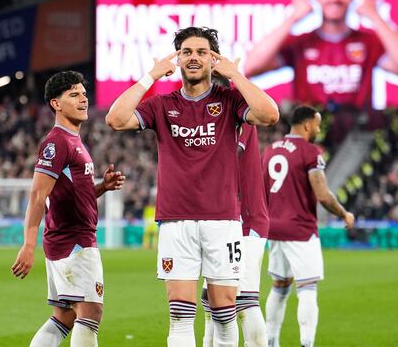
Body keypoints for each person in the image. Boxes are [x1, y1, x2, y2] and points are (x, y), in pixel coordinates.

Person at [106, 26, 279, 347]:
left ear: (213, 59)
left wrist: (236, 76)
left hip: (223, 221)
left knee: (225, 314)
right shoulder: (161, 104)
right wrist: (150, 76)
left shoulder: (229, 100)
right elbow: (116, 119)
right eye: (187, 52)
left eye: (201, 52)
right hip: (175, 221)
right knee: (180, 317)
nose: (194, 58)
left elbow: (270, 115)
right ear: (178, 58)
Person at [11, 71, 126, 347]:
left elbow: (70, 194)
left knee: (64, 317)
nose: (83, 99)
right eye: (74, 95)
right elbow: (39, 195)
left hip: (70, 238)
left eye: (84, 93)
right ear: (56, 104)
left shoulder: (74, 141)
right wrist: (28, 245)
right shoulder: (57, 142)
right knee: (90, 312)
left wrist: (100, 188)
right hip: (73, 241)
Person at [245, 0, 398, 107]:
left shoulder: (368, 42)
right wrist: (293, 18)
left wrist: (375, 17)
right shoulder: (301, 43)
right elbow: (251, 67)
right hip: (310, 135)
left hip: (357, 132)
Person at [262, 105, 355, 347]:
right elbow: (323, 195)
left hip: (274, 228)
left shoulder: (270, 151)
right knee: (307, 287)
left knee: (280, 286)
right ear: (306, 124)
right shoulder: (310, 152)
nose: (319, 128)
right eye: (317, 123)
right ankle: (306, 343)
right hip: (300, 230)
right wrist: (344, 214)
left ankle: (271, 341)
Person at [202, 122, 269, 347]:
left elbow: (227, 154)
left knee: (243, 300)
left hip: (245, 220)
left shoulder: (238, 113)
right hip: (221, 218)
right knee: (211, 298)